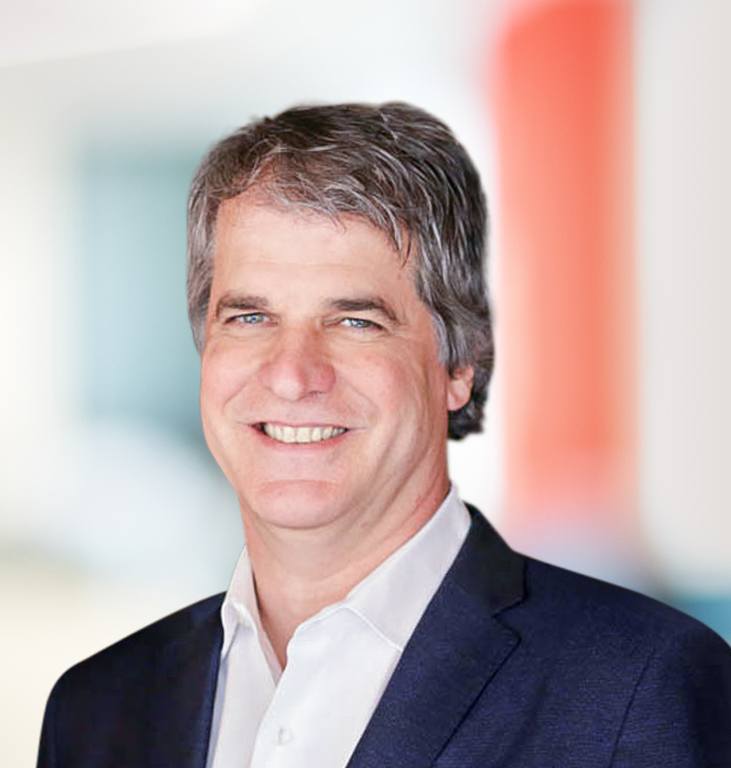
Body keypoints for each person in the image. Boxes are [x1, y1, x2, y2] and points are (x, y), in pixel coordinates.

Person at [37, 102, 731, 768]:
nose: (291, 375)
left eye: (355, 321)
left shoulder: (641, 688)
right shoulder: (95, 708)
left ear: (459, 365)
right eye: (250, 317)